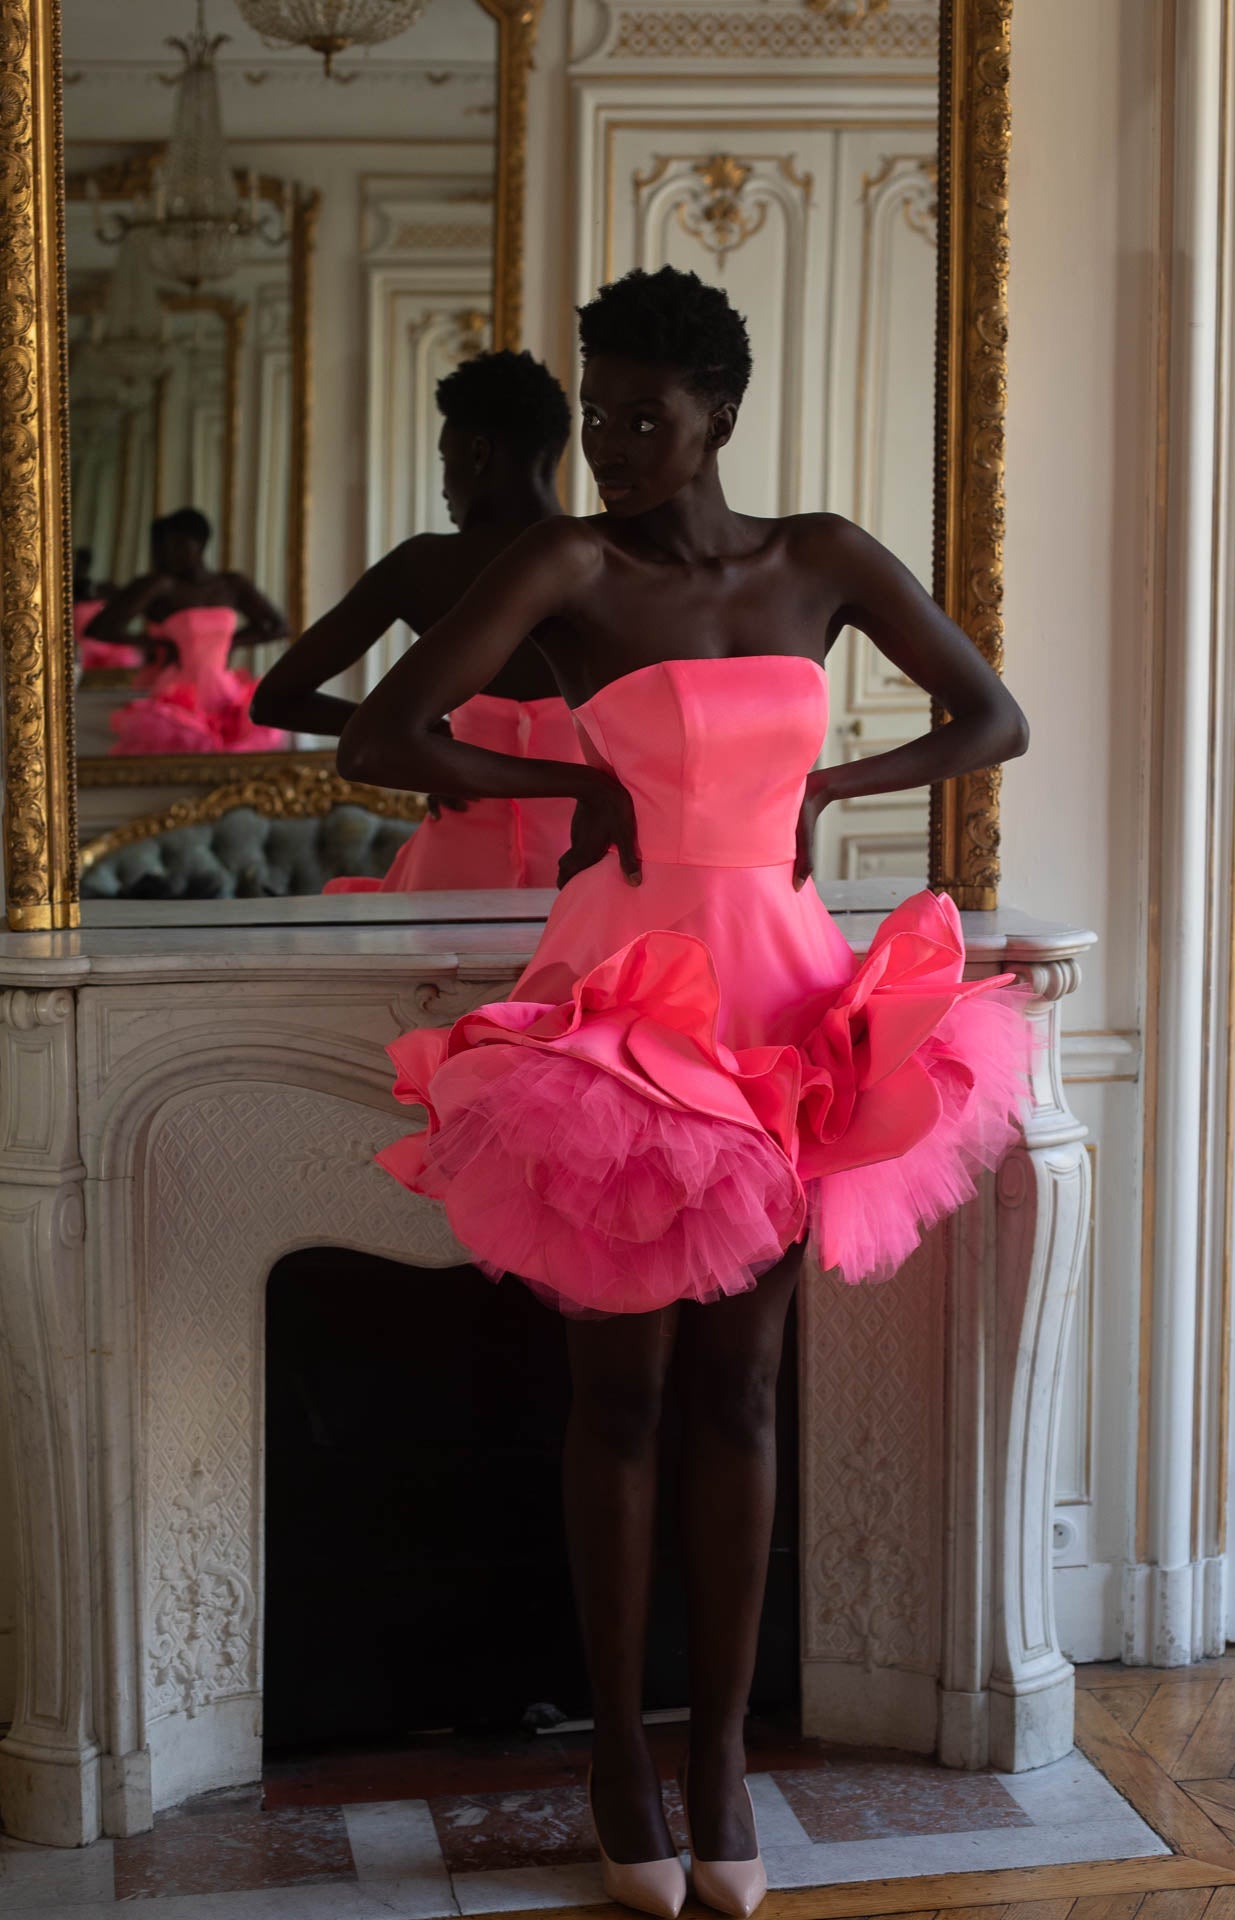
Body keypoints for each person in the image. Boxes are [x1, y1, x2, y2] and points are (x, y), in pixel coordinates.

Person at [337, 267, 1032, 1920]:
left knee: (743, 1393)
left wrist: (818, 783)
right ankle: (615, 1767)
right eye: (600, 413)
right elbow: (384, 735)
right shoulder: (567, 561)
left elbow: (990, 717)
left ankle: (721, 1761)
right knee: (624, 1398)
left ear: (721, 412)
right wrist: (577, 775)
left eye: (648, 413)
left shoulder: (824, 555)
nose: (619, 442)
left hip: (789, 993)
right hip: (624, 999)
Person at [250, 349, 584, 890]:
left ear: (478, 454)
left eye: (443, 460)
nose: (445, 484)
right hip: (588, 868)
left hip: (455, 870)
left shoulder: (422, 567)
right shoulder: (614, 564)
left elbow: (275, 699)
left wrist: (425, 736)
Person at [88, 508, 290, 755]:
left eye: (176, 545)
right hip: (177, 691)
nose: (169, 554)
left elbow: (277, 627)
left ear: (200, 543)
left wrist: (232, 642)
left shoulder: (230, 584)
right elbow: (100, 628)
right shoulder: (161, 586)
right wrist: (153, 642)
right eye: (164, 547)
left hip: (224, 690)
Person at [72, 545, 140, 671]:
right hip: (79, 646)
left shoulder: (99, 590)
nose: (77, 568)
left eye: (81, 564)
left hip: (100, 645)